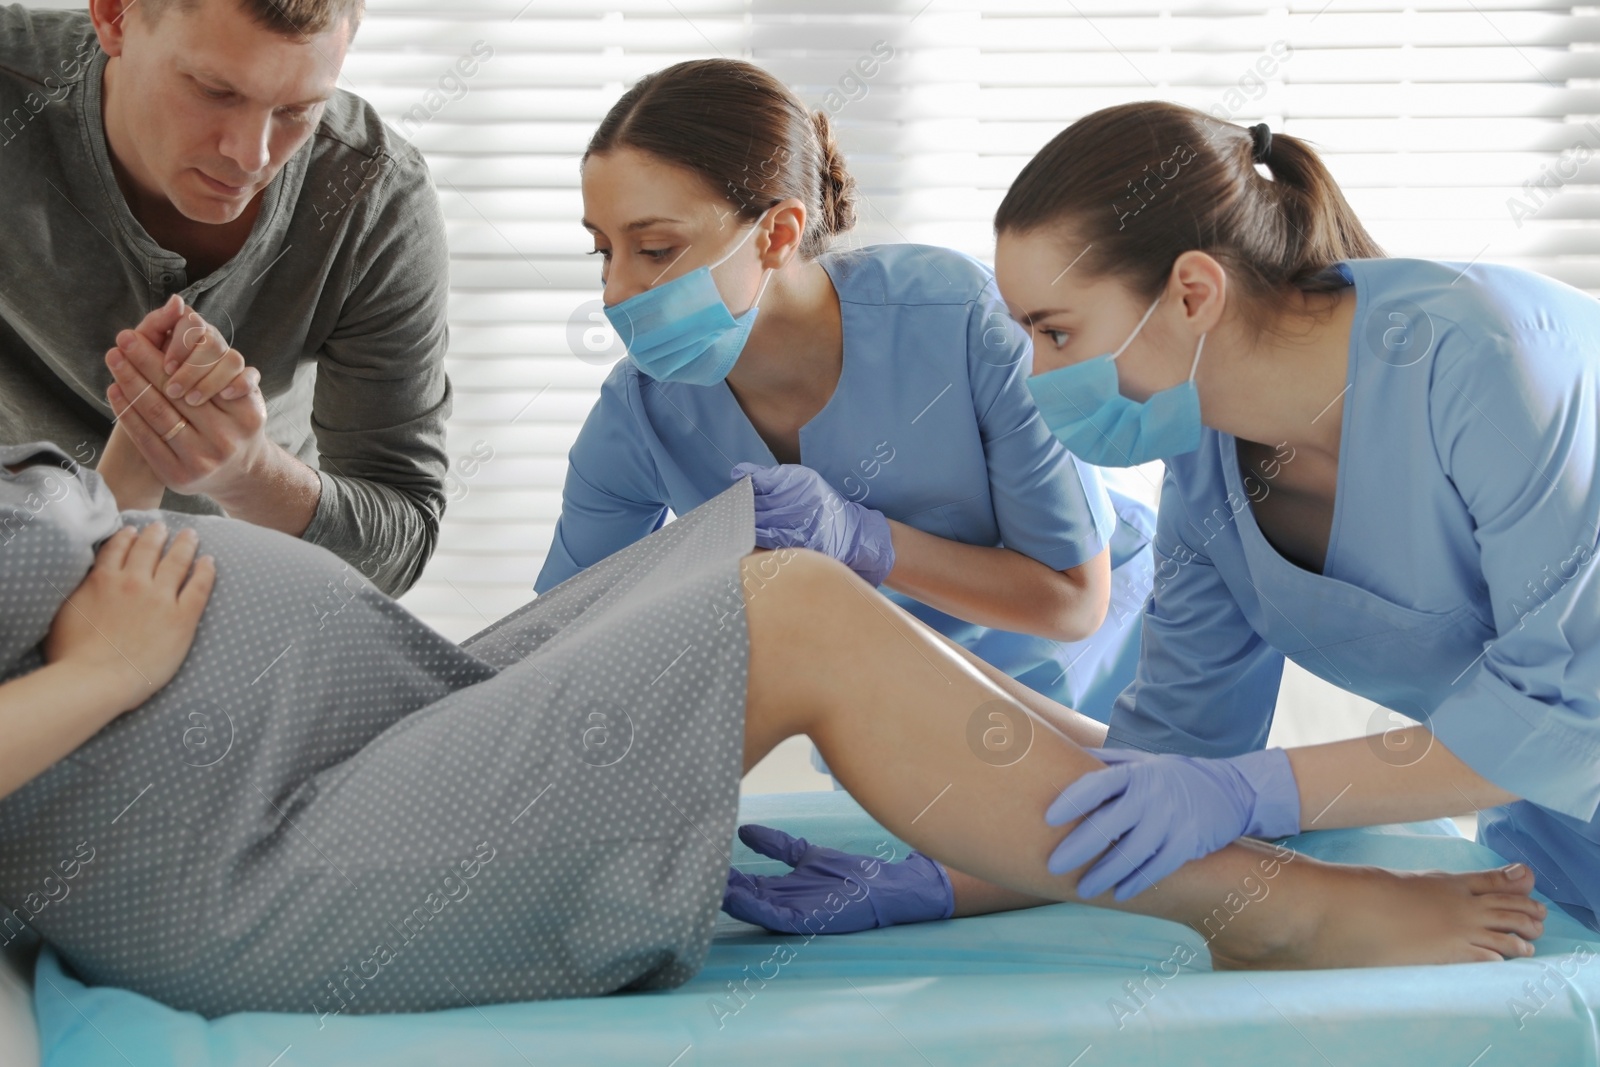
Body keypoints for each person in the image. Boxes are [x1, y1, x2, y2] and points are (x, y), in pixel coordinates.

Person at [0, 421, 1546, 1018]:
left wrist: (132, 485)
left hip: (354, 731)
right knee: (793, 618)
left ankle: (1183, 797)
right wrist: (101, 676)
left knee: (768, 540)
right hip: (262, 859)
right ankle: (1258, 895)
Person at [729, 103, 1600, 936]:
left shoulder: (1496, 368)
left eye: (1055, 332)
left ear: (1191, 293)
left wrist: (1255, 791)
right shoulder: (1211, 465)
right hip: (1558, 858)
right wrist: (943, 883)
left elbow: (1563, 718)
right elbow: (1170, 767)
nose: (1033, 374)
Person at [539, 59, 1157, 755]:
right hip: (895, 712)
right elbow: (561, 638)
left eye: (654, 248)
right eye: (603, 251)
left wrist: (863, 539)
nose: (616, 291)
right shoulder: (641, 412)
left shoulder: (960, 322)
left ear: (776, 233)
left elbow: (1074, 600)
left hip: (1099, 677)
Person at [0, 0, 454, 596]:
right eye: (215, 91)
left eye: (297, 109)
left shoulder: (374, 203)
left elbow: (399, 548)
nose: (252, 156)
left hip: (245, 609)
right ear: (114, 16)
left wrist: (248, 474)